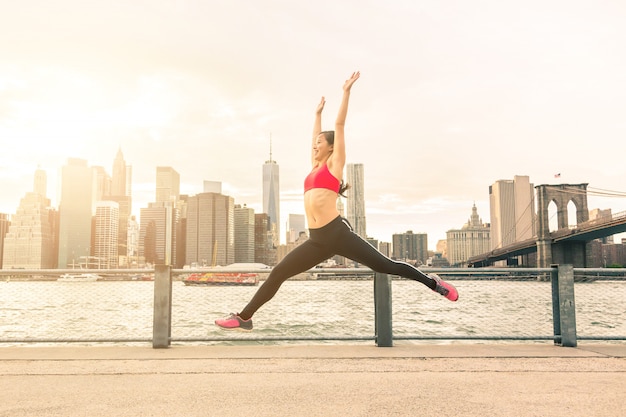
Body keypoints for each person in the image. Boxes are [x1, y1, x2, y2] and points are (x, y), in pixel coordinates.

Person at [215, 71, 458, 331]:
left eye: (320, 142)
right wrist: (317, 115)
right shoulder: (314, 166)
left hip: (337, 233)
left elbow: (340, 126)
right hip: (317, 239)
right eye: (315, 142)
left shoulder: (333, 165)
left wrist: (346, 93)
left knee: (385, 266)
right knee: (278, 273)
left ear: (331, 147)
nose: (315, 145)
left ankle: (434, 283)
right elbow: (314, 137)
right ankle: (245, 317)